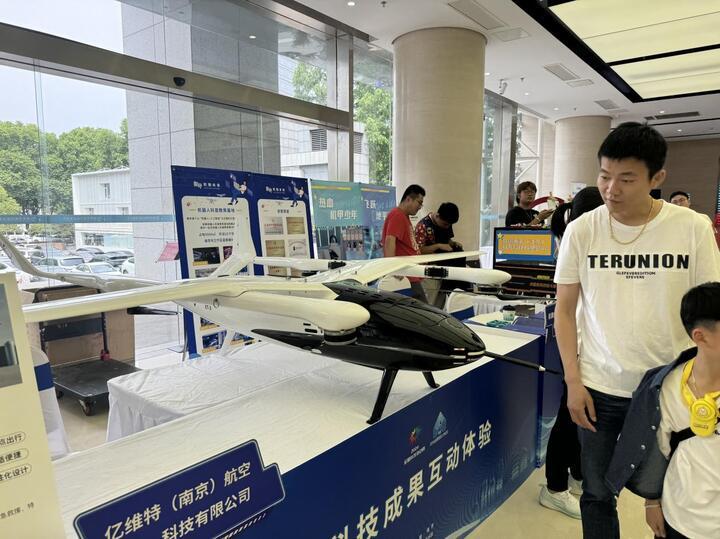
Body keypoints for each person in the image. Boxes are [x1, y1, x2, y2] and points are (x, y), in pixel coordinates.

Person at [553, 122, 720, 538]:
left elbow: (710, 313)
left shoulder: (692, 228)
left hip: (671, 388)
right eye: (604, 176)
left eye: (626, 179)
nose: (611, 190)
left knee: (675, 495)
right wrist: (573, 382)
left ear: (656, 178)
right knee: (596, 492)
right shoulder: (582, 230)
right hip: (600, 387)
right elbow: (565, 311)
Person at [605, 282, 720, 539]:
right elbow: (656, 451)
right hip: (679, 518)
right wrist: (651, 502)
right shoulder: (664, 387)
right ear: (700, 336)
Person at [538, 187, 604, 519]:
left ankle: (577, 474)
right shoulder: (576, 242)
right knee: (568, 420)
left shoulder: (595, 239)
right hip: (576, 348)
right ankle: (554, 488)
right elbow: (567, 309)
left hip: (596, 348)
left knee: (586, 417)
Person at [381, 184, 426, 301]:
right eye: (419, 202)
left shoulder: (404, 216)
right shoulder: (397, 215)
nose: (420, 207)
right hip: (405, 276)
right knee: (422, 310)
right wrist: (393, 269)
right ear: (408, 199)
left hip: (410, 274)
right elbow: (389, 241)